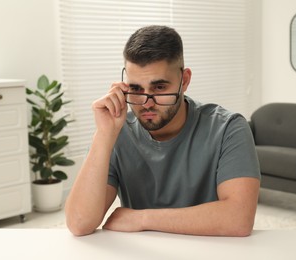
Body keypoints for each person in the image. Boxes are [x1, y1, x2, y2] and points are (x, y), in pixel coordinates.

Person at [65, 25, 260, 237]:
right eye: (136, 89)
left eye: (159, 88)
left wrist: (142, 218)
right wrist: (104, 135)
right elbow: (79, 223)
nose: (146, 103)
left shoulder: (228, 129)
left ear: (184, 81)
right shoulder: (115, 133)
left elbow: (238, 219)